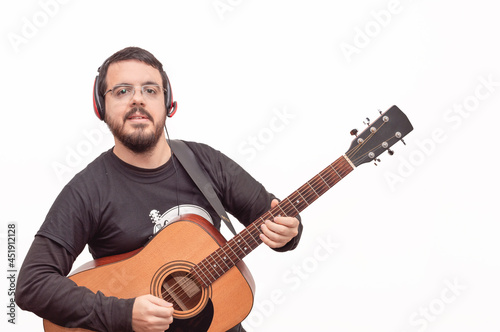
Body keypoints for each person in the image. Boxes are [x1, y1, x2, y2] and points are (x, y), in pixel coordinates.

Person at [16, 46, 302, 332]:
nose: (138, 99)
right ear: (100, 108)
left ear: (169, 104)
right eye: (122, 91)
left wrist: (290, 232)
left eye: (151, 90)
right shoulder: (88, 190)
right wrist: (122, 313)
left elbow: (274, 215)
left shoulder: (206, 163)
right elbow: (32, 285)